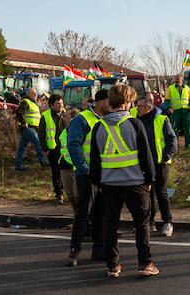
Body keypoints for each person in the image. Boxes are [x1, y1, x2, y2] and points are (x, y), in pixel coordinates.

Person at [89, 83, 158, 278]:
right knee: (141, 225)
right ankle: (145, 263)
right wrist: (150, 178)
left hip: (109, 185)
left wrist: (99, 183)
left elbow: (95, 161)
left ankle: (113, 266)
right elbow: (146, 155)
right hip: (136, 183)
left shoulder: (98, 127)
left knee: (110, 225)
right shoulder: (135, 124)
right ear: (127, 102)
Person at [65, 88, 111, 266]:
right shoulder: (82, 119)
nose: (112, 104)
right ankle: (74, 251)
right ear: (101, 102)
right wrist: (83, 168)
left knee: (102, 214)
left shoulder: (107, 120)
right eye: (110, 101)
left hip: (104, 174)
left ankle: (98, 250)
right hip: (87, 175)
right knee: (83, 214)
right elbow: (73, 144)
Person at [135, 91, 177, 237]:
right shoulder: (136, 121)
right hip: (143, 164)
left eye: (139, 106)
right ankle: (150, 222)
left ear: (148, 107)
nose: (137, 108)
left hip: (160, 163)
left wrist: (165, 157)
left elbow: (172, 140)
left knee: (161, 193)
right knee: (147, 194)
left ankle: (167, 222)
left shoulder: (161, 119)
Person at [15, 89, 51, 170]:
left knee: (22, 147)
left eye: (36, 94)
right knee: (38, 143)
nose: (35, 95)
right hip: (28, 128)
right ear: (28, 94)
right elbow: (19, 112)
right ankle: (43, 162)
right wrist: (24, 122)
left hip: (32, 128)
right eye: (33, 94)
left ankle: (18, 165)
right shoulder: (26, 102)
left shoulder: (33, 103)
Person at [46, 93, 70, 204]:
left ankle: (70, 194)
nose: (60, 105)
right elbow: (41, 134)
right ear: (51, 105)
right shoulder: (46, 116)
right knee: (56, 173)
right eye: (57, 103)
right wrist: (45, 149)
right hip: (53, 150)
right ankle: (59, 194)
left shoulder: (68, 115)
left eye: (61, 103)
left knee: (68, 173)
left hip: (66, 150)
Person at [165, 73, 190, 150]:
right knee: (174, 129)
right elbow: (167, 100)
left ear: (182, 79)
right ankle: (175, 145)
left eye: (179, 78)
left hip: (185, 111)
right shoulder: (170, 88)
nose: (177, 80)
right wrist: (169, 108)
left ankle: (188, 145)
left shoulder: (187, 88)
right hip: (175, 112)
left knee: (188, 128)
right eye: (176, 78)